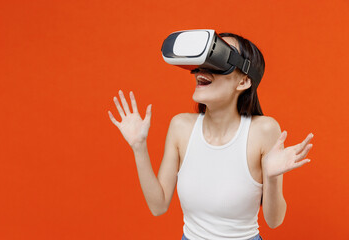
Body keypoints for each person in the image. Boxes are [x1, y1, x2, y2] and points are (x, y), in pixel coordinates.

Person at [108, 32, 314, 240]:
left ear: (243, 81)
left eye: (217, 58)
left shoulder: (264, 130)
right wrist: (139, 147)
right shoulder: (181, 126)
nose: (202, 69)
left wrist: (271, 177)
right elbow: (158, 206)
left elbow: (274, 221)